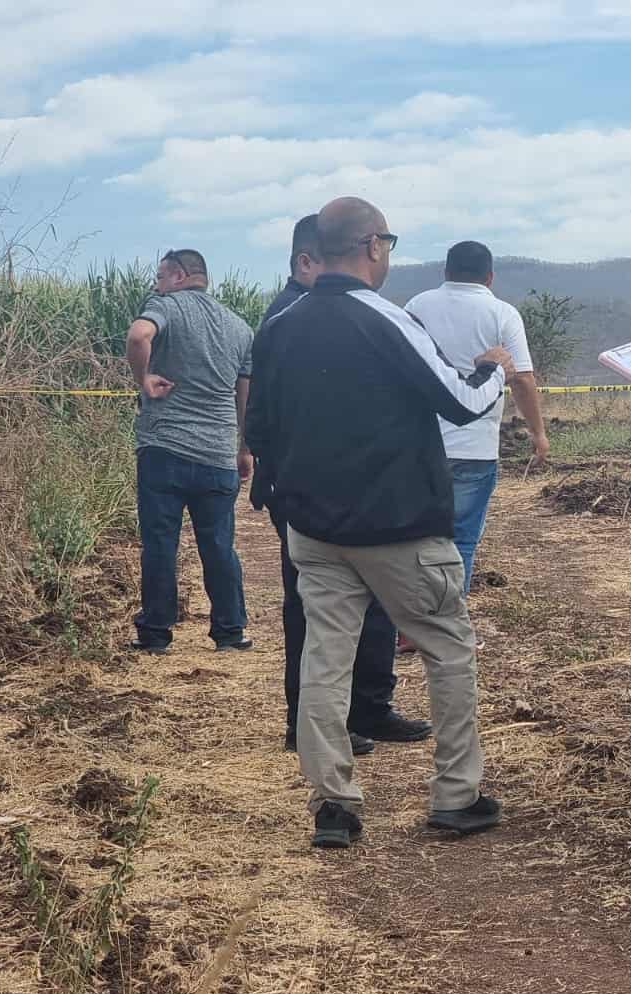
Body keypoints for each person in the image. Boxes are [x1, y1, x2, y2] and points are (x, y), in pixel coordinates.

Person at [246, 196, 506, 849]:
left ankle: (333, 805)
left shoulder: (280, 325)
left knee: (324, 659)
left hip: (314, 529)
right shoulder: (389, 319)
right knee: (447, 648)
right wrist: (492, 371)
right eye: (387, 242)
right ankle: (456, 796)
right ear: (372, 246)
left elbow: (261, 429)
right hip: (400, 527)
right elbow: (461, 401)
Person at [246, 214, 432, 756]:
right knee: (314, 608)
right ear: (308, 261)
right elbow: (263, 415)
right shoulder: (289, 319)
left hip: (344, 489)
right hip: (311, 493)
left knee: (368, 597)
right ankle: (308, 722)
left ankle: (368, 707)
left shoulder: (328, 315)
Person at [124, 249, 254, 655]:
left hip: (165, 448)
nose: (157, 285)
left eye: (160, 276)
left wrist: (144, 378)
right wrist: (245, 449)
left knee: (161, 544)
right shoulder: (239, 327)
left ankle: (156, 634)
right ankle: (230, 632)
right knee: (219, 545)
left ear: (179, 276)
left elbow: (138, 336)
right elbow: (246, 396)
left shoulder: (166, 306)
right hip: (218, 454)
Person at [405, 240, 548, 598]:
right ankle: (449, 620)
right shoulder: (502, 314)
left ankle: (411, 620)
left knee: (415, 540)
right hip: (474, 449)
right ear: (490, 277)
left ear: (446, 271)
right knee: (462, 540)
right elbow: (522, 380)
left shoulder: (416, 307)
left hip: (419, 448)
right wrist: (538, 433)